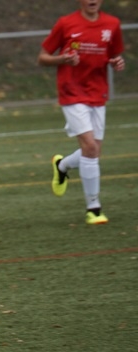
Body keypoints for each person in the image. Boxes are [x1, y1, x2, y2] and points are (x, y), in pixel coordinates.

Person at [38, 0, 125, 225]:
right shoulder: (66, 23)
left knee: (93, 151)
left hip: (98, 91)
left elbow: (113, 56)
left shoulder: (112, 24)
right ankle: (93, 208)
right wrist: (62, 59)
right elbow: (42, 57)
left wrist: (116, 62)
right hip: (71, 91)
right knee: (90, 147)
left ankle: (62, 166)